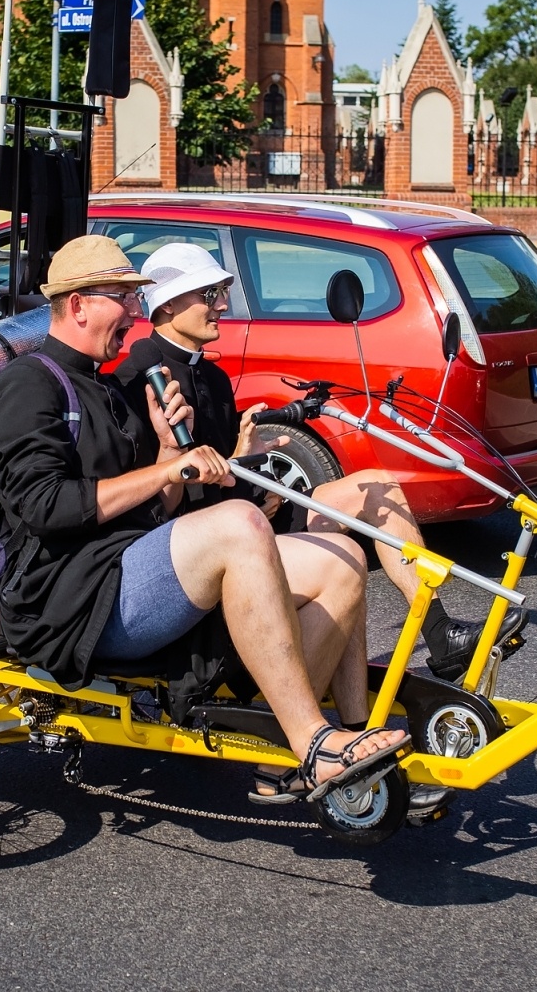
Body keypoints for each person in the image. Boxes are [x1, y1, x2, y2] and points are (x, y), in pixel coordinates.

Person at [0, 234, 410, 802]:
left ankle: (341, 740)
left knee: (342, 560)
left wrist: (162, 456)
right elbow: (46, 508)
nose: (134, 313)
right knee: (238, 522)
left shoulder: (104, 384)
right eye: (123, 299)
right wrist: (168, 470)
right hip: (71, 599)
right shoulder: (26, 384)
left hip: (126, 565)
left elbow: (149, 506)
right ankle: (311, 741)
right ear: (79, 304)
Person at [115, 241, 482, 681]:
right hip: (206, 540)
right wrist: (241, 485)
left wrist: (243, 458)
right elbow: (158, 497)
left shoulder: (210, 374)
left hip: (249, 508)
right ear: (169, 303)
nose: (225, 304)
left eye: (223, 291)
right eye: (211, 294)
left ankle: (439, 632)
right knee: (344, 559)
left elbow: (219, 466)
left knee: (378, 484)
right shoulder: (135, 383)